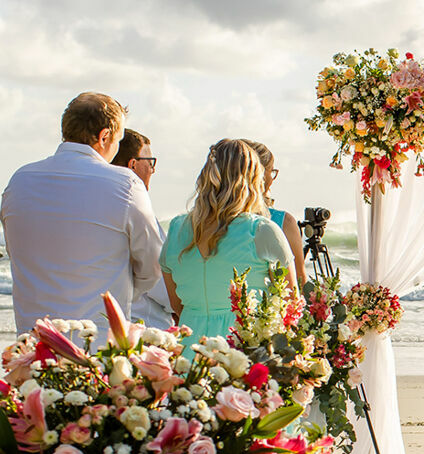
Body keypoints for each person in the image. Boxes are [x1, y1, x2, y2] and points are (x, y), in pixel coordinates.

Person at [1, 92, 164, 336]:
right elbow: (153, 267)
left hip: (31, 342)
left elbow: (17, 252)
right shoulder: (125, 184)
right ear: (104, 136)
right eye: (117, 140)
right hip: (96, 346)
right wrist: (122, 290)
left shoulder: (20, 180)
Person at [159, 139, 294, 341]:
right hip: (242, 352)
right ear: (253, 180)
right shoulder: (262, 230)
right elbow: (290, 306)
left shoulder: (177, 228)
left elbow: (177, 304)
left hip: (191, 351)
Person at [109, 128, 176, 329]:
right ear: (133, 164)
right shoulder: (137, 209)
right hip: (145, 327)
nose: (153, 170)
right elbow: (159, 282)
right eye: (150, 162)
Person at [244, 140, 306, 287]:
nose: (272, 178)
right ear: (259, 175)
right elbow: (299, 281)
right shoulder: (284, 222)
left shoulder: (217, 222)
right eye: (271, 171)